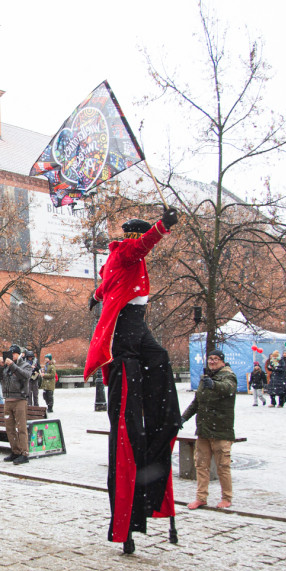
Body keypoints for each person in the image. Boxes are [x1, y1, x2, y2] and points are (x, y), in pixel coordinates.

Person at [85, 208, 182, 553]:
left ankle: (164, 418)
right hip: (126, 336)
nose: (136, 243)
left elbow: (110, 283)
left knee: (161, 358)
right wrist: (162, 227)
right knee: (127, 424)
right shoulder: (128, 251)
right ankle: (126, 522)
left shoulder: (124, 261)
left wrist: (96, 296)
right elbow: (139, 248)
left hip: (139, 329)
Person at [182, 349, 238, 510]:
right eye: (210, 359)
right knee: (201, 465)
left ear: (222, 360)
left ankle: (226, 497)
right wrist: (183, 417)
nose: (212, 361)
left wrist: (214, 385)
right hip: (204, 430)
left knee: (223, 466)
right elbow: (196, 402)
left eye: (215, 359)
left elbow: (228, 388)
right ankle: (201, 497)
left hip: (221, 430)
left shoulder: (228, 375)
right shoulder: (205, 378)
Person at [0, 344, 33, 465]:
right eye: (10, 354)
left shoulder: (25, 365)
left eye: (14, 354)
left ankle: (24, 453)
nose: (12, 356)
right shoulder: (6, 366)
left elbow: (25, 376)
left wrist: (13, 365)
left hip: (20, 399)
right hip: (8, 400)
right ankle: (15, 451)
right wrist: (1, 366)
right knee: (10, 428)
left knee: (21, 427)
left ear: (19, 354)